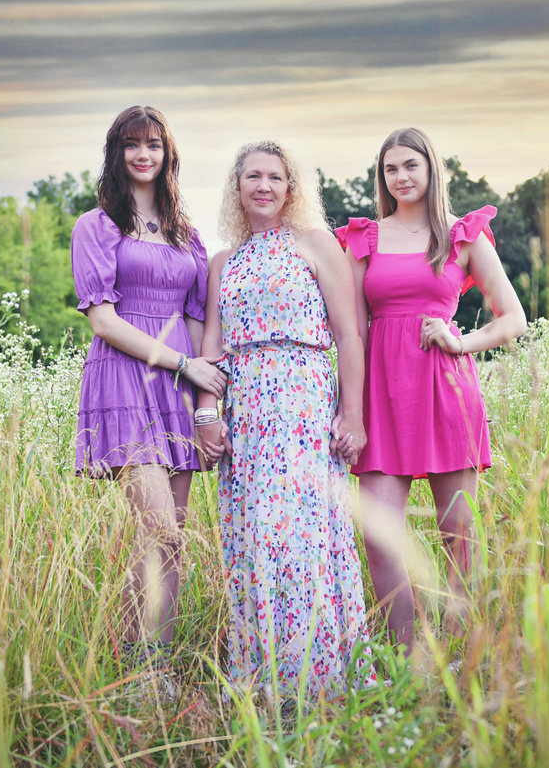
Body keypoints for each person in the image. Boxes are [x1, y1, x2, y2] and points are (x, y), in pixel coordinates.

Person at [335, 127, 527, 653]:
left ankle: (460, 658)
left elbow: (514, 319)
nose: (400, 177)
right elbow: (350, 330)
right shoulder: (364, 239)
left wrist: (462, 341)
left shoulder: (462, 236)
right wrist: (348, 408)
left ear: (430, 169)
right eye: (390, 169)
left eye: (410, 166)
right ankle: (403, 662)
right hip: (380, 395)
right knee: (379, 539)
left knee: (458, 538)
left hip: (445, 392)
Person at [195, 141, 375, 698]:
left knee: (305, 536)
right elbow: (211, 343)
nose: (263, 186)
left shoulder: (317, 245)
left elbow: (349, 334)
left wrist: (353, 414)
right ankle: (263, 677)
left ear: (291, 186)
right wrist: (206, 415)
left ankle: (322, 677)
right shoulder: (222, 261)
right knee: (254, 539)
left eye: (275, 176)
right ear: (237, 186)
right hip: (246, 413)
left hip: (303, 405)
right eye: (252, 176)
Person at [70, 105, 226, 680]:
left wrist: (209, 389)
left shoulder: (187, 235)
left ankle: (152, 669)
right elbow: (104, 322)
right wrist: (184, 362)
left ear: (168, 154)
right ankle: (136, 667)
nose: (143, 154)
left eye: (154, 144)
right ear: (117, 152)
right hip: (122, 375)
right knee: (157, 524)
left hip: (176, 390)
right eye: (132, 144)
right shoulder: (97, 225)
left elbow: (194, 320)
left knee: (173, 539)